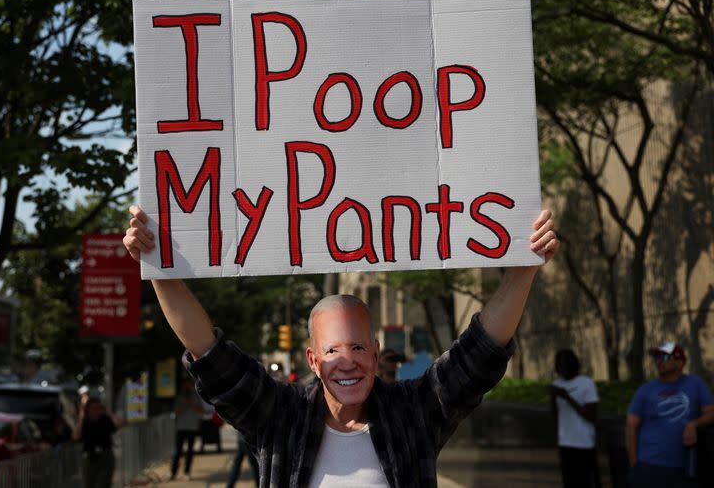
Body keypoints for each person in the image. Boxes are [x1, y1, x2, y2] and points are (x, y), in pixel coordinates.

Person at [123, 206, 559, 487]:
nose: (346, 361)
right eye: (332, 350)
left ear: (374, 351)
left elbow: (477, 355)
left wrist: (521, 275)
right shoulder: (279, 416)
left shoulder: (414, 413)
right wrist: (160, 268)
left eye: (357, 347)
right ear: (313, 360)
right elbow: (209, 352)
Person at [626, 342, 714, 488]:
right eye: (657, 358)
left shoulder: (695, 383)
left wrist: (694, 424)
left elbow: (711, 412)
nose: (659, 361)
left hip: (684, 468)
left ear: (680, 362)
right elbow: (631, 426)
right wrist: (635, 465)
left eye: (665, 358)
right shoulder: (646, 389)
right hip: (649, 466)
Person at [550, 348, 600, 488]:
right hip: (565, 443)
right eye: (559, 366)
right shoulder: (557, 384)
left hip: (584, 443)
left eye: (564, 366)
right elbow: (555, 414)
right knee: (569, 481)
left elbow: (591, 415)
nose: (561, 370)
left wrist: (567, 397)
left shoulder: (587, 383)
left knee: (586, 482)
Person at [73, 395, 123, 488]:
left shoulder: (105, 419)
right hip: (90, 457)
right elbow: (76, 437)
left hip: (105, 456)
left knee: (103, 483)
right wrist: (81, 416)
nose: (96, 411)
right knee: (89, 484)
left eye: (98, 408)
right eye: (93, 408)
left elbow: (119, 424)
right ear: (88, 410)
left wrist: (107, 412)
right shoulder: (85, 422)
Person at [170, 378, 204, 480]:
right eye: (185, 385)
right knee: (177, 451)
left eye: (188, 385)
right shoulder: (179, 396)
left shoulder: (196, 395)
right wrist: (184, 404)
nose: (187, 387)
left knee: (190, 451)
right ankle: (173, 472)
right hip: (180, 427)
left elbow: (201, 411)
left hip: (192, 427)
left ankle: (187, 472)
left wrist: (193, 405)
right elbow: (175, 412)